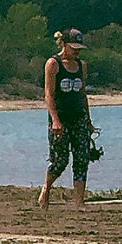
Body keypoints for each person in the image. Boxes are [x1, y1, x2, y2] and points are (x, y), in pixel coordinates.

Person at [38, 28, 97, 209]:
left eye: (79, 48)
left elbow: (82, 94)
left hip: (78, 116)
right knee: (60, 161)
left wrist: (88, 121)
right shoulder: (53, 64)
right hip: (60, 117)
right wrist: (55, 120)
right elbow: (49, 94)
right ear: (64, 45)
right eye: (73, 47)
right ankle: (46, 189)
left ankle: (79, 201)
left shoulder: (81, 65)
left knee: (82, 158)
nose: (77, 51)